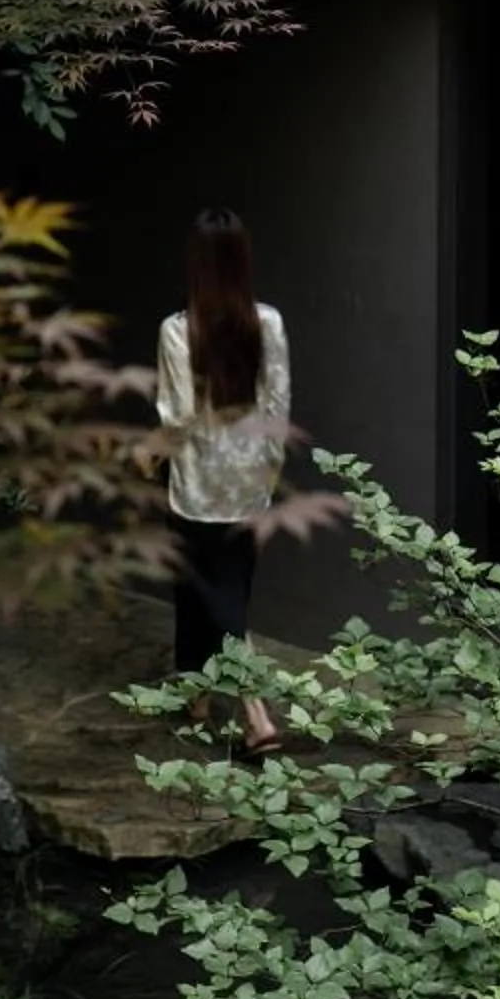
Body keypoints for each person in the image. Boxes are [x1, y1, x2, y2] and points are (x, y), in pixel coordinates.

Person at [155, 207, 289, 756]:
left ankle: (256, 715)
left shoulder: (177, 330)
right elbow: (278, 404)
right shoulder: (270, 323)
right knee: (205, 589)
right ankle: (197, 696)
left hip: (196, 486)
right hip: (249, 483)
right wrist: (270, 470)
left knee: (218, 601)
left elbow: (176, 414)